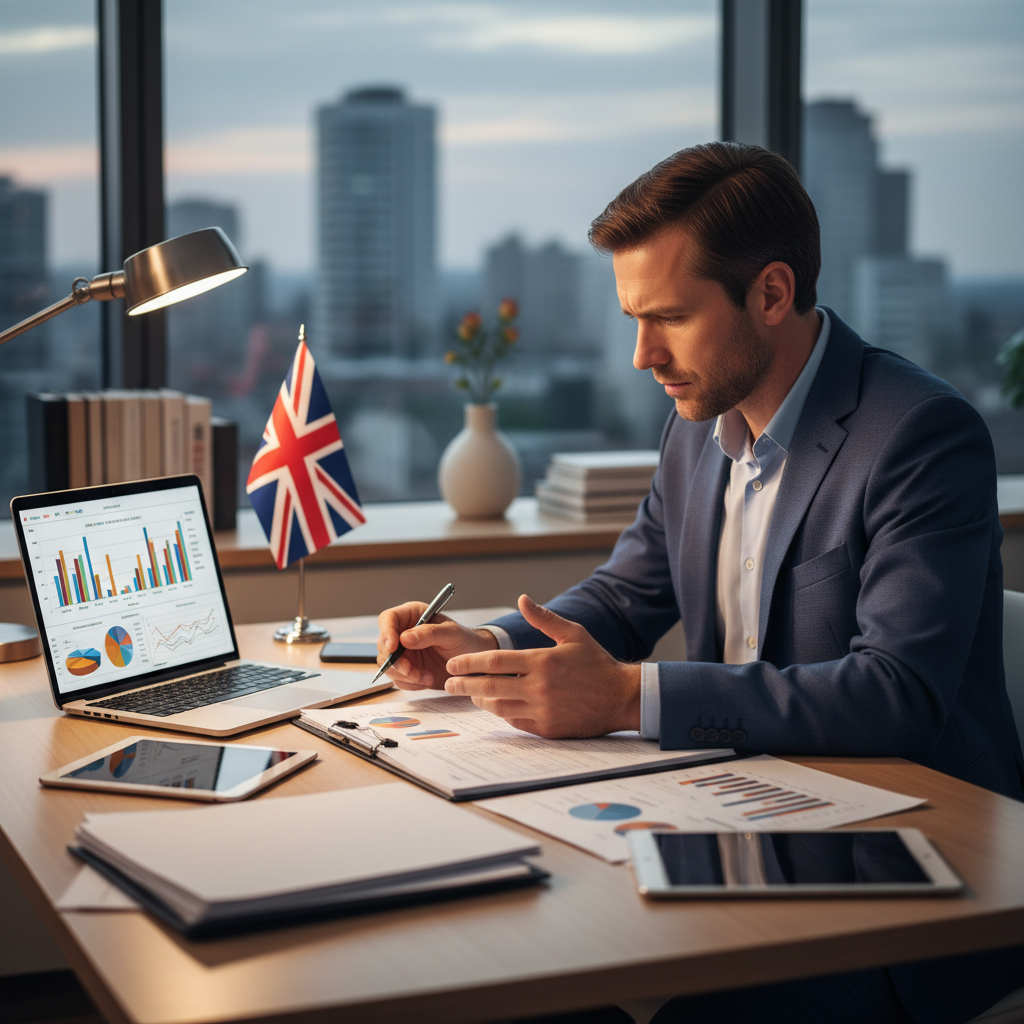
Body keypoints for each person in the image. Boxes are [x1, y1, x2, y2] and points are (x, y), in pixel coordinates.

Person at [377, 143, 1024, 1023]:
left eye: (670, 317)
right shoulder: (697, 427)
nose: (643, 355)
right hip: (742, 823)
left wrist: (624, 698)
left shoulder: (919, 435)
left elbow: (897, 694)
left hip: (912, 870)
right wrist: (486, 649)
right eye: (633, 319)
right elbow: (625, 594)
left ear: (771, 292)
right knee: (506, 967)